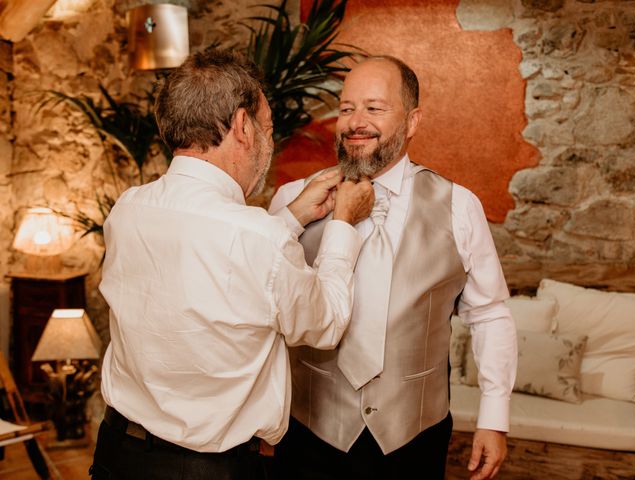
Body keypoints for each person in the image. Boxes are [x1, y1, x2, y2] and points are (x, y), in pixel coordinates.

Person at [89, 49, 374, 480]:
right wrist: (343, 226)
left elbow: (217, 266)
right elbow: (326, 322)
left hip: (117, 454)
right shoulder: (258, 238)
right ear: (243, 126)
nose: (269, 142)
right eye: (268, 128)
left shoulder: (129, 208)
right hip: (205, 470)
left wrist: (294, 215)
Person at [268, 55, 518, 480]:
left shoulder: (459, 206)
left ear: (413, 121)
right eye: (346, 108)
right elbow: (266, 311)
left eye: (374, 108)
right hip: (308, 434)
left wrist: (494, 418)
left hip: (413, 438)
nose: (355, 122)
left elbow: (490, 313)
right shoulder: (293, 199)